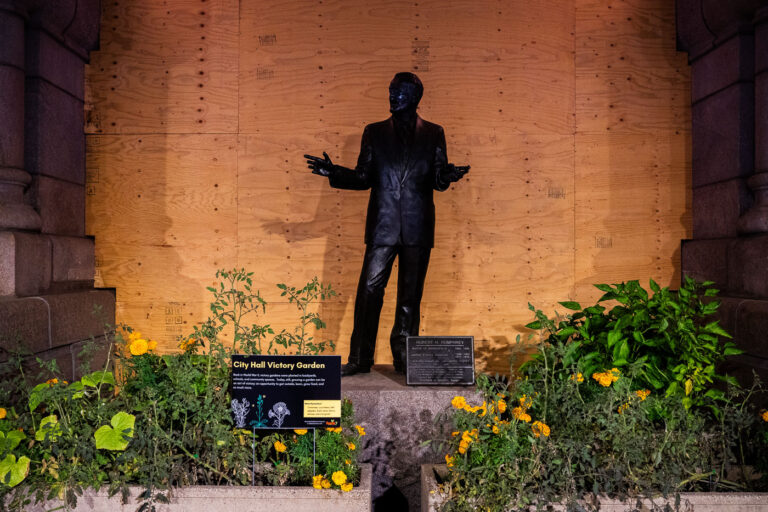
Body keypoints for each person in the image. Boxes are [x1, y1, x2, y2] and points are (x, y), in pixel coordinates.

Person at [304, 72, 469, 376]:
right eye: (391, 91)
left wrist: (447, 176)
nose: (393, 97)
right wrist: (334, 172)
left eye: (399, 92)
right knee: (369, 290)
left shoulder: (434, 133)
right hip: (383, 225)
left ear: (415, 97)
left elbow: (437, 179)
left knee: (410, 296)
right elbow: (364, 177)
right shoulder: (375, 132)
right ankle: (360, 358)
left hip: (418, 227)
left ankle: (404, 357)